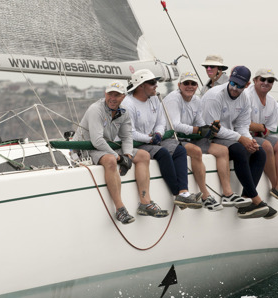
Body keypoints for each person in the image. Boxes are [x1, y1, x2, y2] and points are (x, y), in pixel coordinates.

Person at [123, 69, 202, 217]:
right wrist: (150, 139)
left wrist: (159, 133)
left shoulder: (154, 99)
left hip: (152, 140)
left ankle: (184, 192)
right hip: (134, 143)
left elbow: (161, 122)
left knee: (179, 150)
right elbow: (130, 132)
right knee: (164, 153)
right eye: (152, 83)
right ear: (140, 86)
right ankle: (177, 193)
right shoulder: (128, 104)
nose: (156, 86)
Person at [200, 65, 272, 218]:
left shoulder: (244, 97)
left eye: (239, 86)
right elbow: (213, 129)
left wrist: (250, 141)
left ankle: (246, 200)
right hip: (208, 136)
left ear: (246, 86)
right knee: (239, 150)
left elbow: (242, 125)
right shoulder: (215, 96)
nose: (234, 88)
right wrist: (241, 139)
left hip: (228, 136)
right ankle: (257, 200)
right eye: (232, 83)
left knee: (259, 152)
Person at [161, 71, 230, 211]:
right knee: (196, 151)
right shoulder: (173, 99)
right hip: (171, 138)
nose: (190, 86)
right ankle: (205, 195)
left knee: (223, 150)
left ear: (197, 86)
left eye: (193, 83)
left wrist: (209, 128)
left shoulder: (196, 100)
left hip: (188, 138)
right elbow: (176, 126)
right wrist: (198, 130)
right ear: (179, 85)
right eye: (186, 83)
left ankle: (228, 193)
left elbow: (199, 122)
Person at [72, 80, 137, 224]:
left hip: (103, 146)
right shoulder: (96, 109)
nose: (112, 98)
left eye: (117, 95)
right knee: (110, 160)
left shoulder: (124, 112)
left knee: (143, 155)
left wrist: (128, 156)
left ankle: (146, 202)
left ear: (123, 97)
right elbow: (96, 141)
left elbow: (127, 137)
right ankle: (120, 209)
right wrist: (120, 159)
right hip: (86, 148)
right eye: (110, 94)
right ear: (105, 94)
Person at [250, 68, 278, 210]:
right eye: (262, 79)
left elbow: (268, 129)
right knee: (267, 146)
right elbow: (241, 124)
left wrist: (261, 128)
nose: (266, 83)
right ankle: (276, 186)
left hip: (259, 135)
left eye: (269, 81)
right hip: (244, 135)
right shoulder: (246, 96)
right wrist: (261, 128)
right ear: (255, 81)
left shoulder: (273, 103)